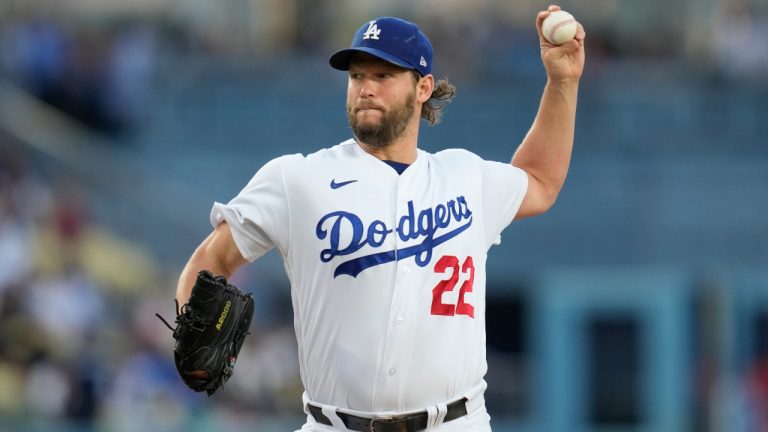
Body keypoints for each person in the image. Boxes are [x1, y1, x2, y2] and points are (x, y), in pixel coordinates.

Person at [175, 5, 585, 431]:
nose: (366, 88)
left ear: (423, 87)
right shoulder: (297, 179)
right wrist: (190, 332)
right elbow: (213, 258)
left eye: (383, 75)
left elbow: (539, 179)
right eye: (357, 76)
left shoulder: (464, 177)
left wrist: (563, 81)